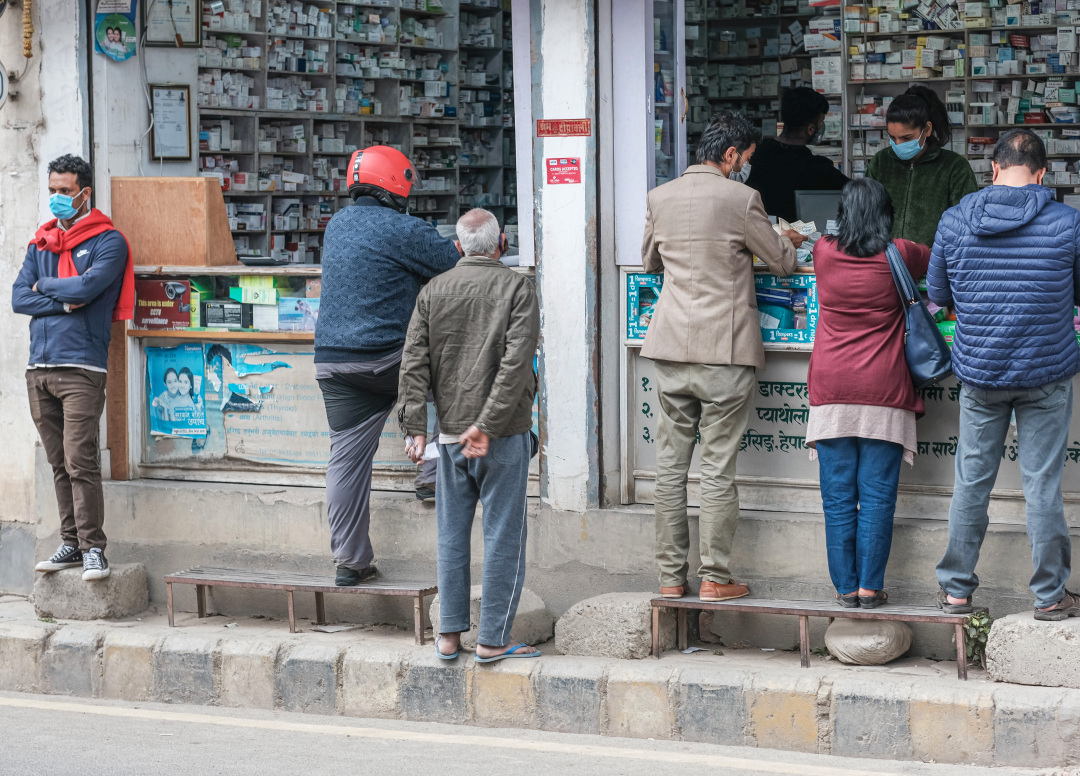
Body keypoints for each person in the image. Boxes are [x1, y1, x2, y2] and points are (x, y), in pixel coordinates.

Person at [641, 110, 804, 603]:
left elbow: (649, 261)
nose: (746, 168)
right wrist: (789, 241)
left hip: (670, 349)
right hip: (724, 351)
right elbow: (781, 261)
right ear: (730, 154)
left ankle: (671, 579)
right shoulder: (742, 199)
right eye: (746, 159)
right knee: (715, 469)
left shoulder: (659, 197)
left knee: (669, 469)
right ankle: (715, 577)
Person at [930, 129, 1080, 621]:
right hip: (1046, 372)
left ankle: (955, 592)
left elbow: (939, 295)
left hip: (980, 375)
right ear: (1041, 173)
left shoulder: (954, 221)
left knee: (971, 483)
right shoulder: (1067, 223)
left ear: (992, 169)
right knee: (1041, 485)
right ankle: (1050, 596)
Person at [398, 208, 540, 662]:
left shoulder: (432, 291)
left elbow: (413, 362)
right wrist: (489, 425)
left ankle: (448, 636)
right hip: (503, 434)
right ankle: (493, 639)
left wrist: (416, 428)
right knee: (502, 536)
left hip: (449, 435)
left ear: (458, 248)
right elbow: (516, 365)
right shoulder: (518, 287)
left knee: (451, 534)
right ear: (500, 245)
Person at [315, 145, 461, 587]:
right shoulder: (402, 228)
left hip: (334, 364)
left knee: (345, 461)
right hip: (391, 358)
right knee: (455, 373)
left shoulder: (336, 224)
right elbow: (457, 262)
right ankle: (432, 472)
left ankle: (349, 562)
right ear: (397, 184)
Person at [806, 178, 930, 609]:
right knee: (877, 497)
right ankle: (869, 589)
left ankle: (844, 588)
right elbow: (939, 261)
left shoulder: (823, 251)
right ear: (885, 212)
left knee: (838, 498)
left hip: (831, 389)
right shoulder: (900, 253)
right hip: (884, 389)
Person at [12, 154, 135, 583]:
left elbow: (87, 287)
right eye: (52, 191)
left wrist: (43, 286)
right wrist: (62, 298)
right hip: (38, 369)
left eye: (65, 191)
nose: (57, 198)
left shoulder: (108, 241)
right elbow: (17, 299)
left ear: (85, 193)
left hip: (81, 367)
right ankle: (69, 543)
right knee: (58, 463)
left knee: (80, 459)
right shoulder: (41, 241)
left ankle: (93, 550)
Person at [866, 85, 977, 248]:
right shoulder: (880, 162)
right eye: (892, 137)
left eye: (906, 138)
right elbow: (865, 217)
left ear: (927, 129)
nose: (898, 144)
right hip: (885, 263)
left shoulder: (954, 168)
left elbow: (966, 226)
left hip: (935, 266)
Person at [745, 87, 848, 222]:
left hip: (760, 234)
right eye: (821, 122)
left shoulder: (756, 155)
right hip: (800, 238)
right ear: (811, 129)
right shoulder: (817, 168)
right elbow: (856, 190)